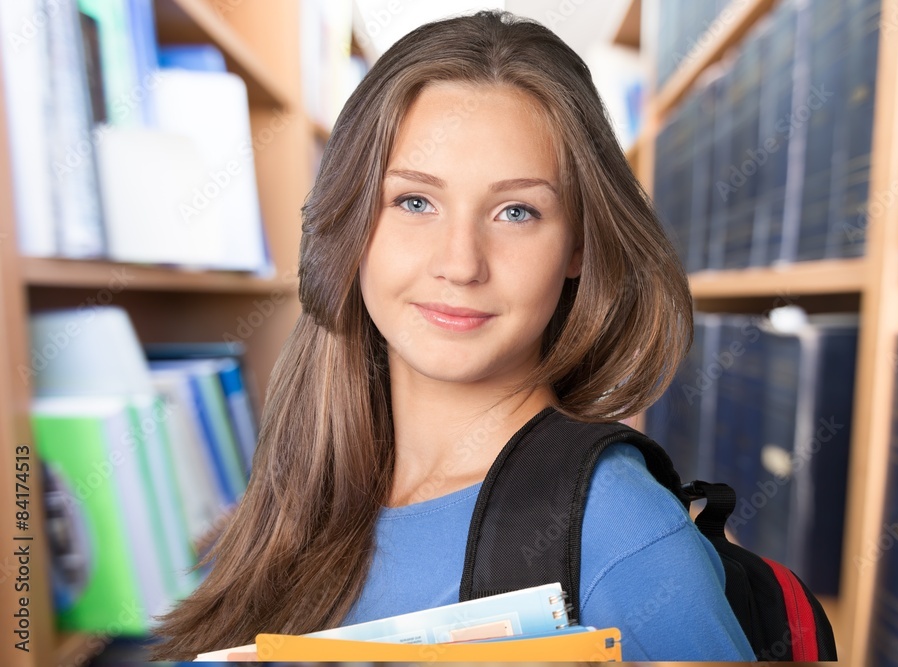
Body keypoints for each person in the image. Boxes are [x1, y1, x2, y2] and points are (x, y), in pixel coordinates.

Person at [148, 10, 754, 662]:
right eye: (414, 201)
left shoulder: (624, 533)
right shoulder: (303, 473)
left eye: (516, 210)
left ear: (577, 244)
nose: (461, 262)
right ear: (355, 219)